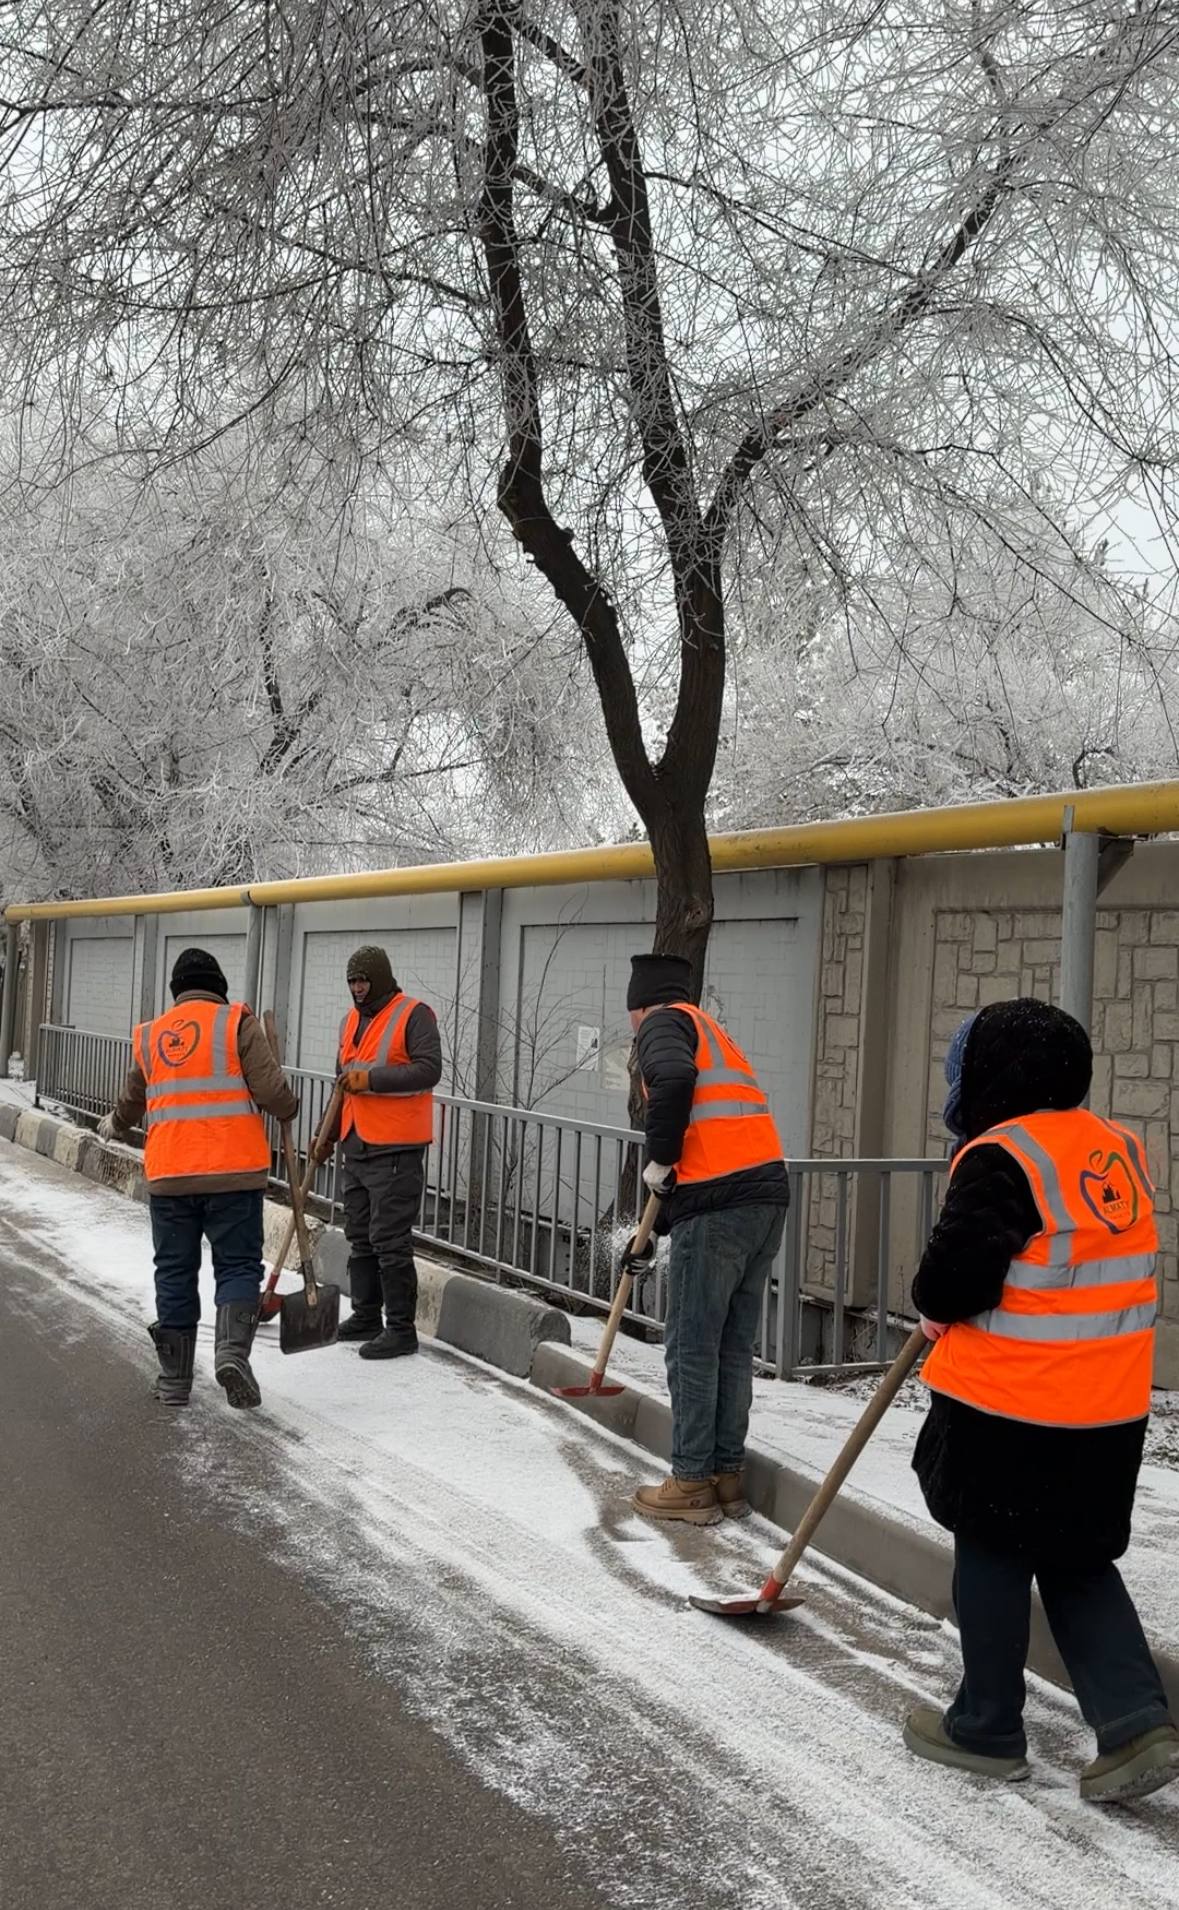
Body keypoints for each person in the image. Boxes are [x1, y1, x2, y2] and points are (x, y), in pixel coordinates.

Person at [905, 996, 1179, 1804]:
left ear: (988, 1077)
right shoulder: (1115, 1148)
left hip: (1009, 1405)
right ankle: (1133, 1722)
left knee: (989, 1551)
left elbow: (956, 1278)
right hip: (1107, 1409)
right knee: (1076, 1558)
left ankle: (984, 1727)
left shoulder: (1002, 1157)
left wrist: (931, 1299)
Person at [626, 954, 790, 1526]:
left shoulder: (660, 1023)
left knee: (692, 1344)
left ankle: (691, 1481)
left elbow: (671, 1082)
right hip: (764, 1197)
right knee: (729, 1345)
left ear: (638, 1005)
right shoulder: (711, 1030)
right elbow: (716, 1138)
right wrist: (660, 1223)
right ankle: (726, 1479)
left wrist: (659, 1158)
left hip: (723, 1203)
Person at [99, 947, 298, 1411]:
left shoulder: (151, 1035)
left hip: (170, 1176)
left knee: (173, 1271)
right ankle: (231, 1353)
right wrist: (289, 1108)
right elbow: (272, 1093)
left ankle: (174, 1380)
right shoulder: (236, 1023)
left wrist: (115, 1123)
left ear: (176, 993)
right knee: (236, 1266)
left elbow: (132, 1098)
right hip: (233, 1176)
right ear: (219, 987)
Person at [314, 944, 442, 1359]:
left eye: (363, 980)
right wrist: (325, 1136)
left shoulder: (413, 1014)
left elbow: (428, 1069)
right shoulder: (349, 1021)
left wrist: (370, 1081)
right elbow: (341, 1088)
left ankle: (401, 1328)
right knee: (361, 1236)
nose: (357, 988)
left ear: (381, 978)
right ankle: (366, 1314)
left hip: (396, 1148)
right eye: (352, 981)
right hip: (357, 1144)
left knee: (389, 1239)